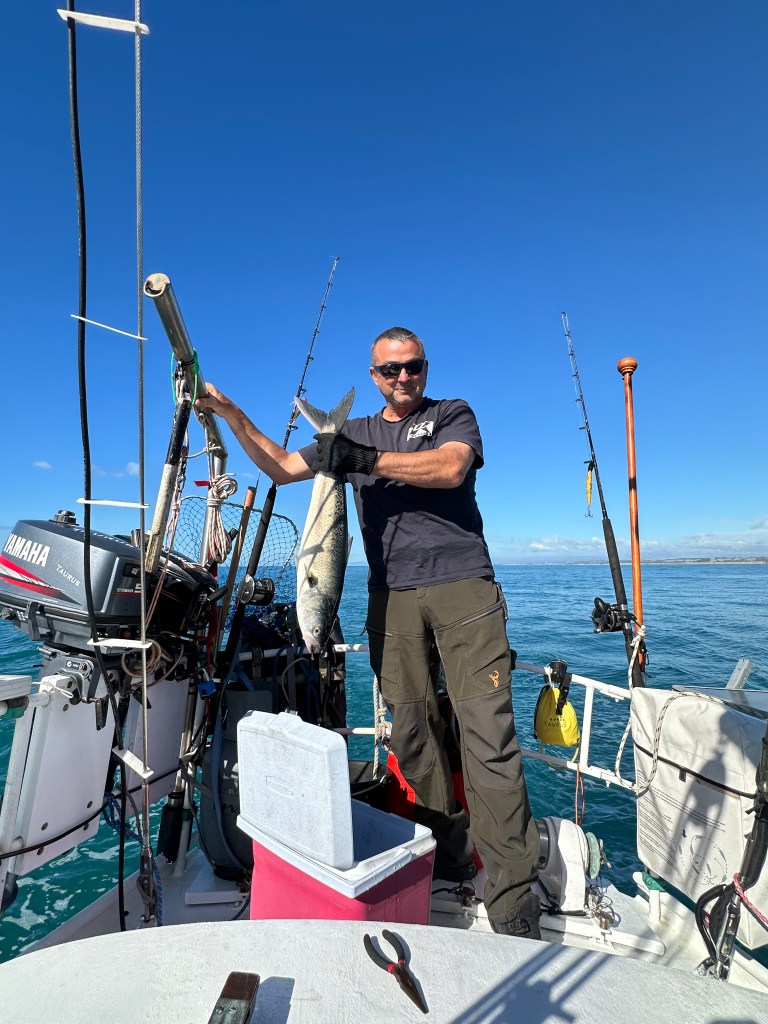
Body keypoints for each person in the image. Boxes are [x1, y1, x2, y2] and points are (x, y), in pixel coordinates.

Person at [196, 326, 541, 939]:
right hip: (390, 600)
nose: (403, 377)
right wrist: (232, 414)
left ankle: (512, 898)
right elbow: (280, 467)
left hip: (464, 589)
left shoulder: (451, 414)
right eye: (390, 370)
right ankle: (450, 851)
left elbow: (451, 468)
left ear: (425, 368)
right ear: (374, 375)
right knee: (412, 736)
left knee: (488, 740)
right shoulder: (351, 432)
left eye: (413, 366)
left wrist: (362, 460)